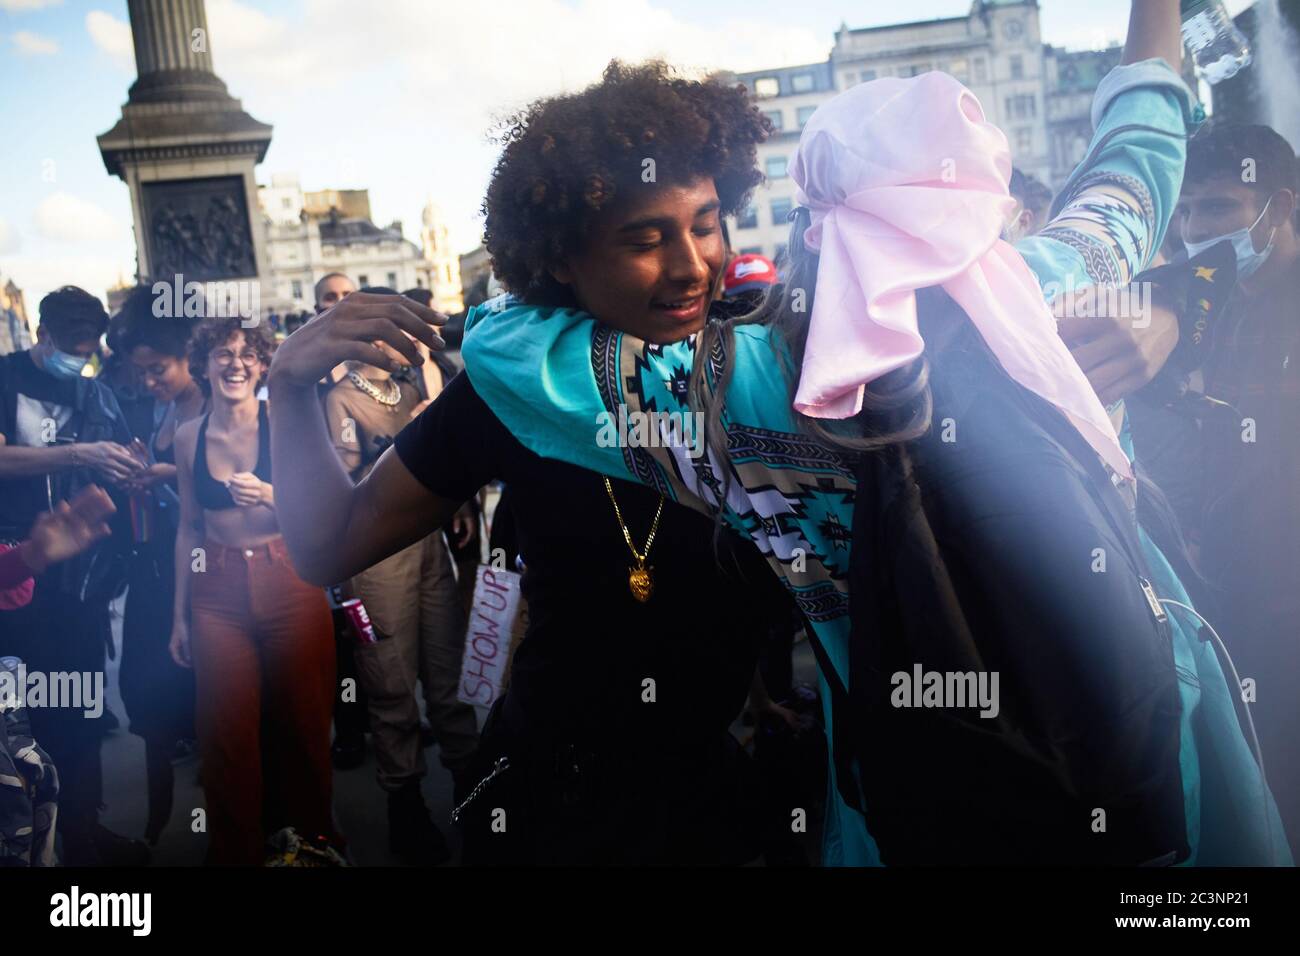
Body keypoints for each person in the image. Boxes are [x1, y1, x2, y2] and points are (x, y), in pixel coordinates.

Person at [450, 3, 1290, 865]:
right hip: (1143, 736)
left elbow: (501, 342)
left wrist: (554, 247)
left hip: (917, 782)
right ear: (981, 200)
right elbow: (1137, 158)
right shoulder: (1059, 293)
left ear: (818, 218)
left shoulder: (735, 389)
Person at [269, 67, 794, 866]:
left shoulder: (768, 381)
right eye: (646, 240)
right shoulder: (512, 391)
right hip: (551, 806)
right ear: (561, 261)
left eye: (708, 224)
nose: (692, 265)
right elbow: (325, 545)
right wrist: (288, 385)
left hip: (708, 802)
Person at [1132, 122, 1300, 851]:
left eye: (1221, 209)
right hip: (1221, 596)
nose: (1198, 230)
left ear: (1281, 204)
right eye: (1188, 211)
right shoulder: (1192, 307)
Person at [168, 318, 337, 865]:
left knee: (305, 723)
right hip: (215, 591)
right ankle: (235, 852)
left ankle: (314, 845)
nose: (235, 363)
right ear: (205, 364)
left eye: (246, 354)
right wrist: (180, 618)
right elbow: (189, 528)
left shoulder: (284, 420)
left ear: (263, 365)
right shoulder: (187, 435)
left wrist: (269, 493)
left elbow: (325, 507)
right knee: (225, 732)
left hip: (289, 577)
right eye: (223, 353)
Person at [0, 286, 150, 866]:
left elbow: (115, 467)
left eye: (88, 352)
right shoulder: (7, 378)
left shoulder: (96, 393)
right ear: (41, 335)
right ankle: (28, 842)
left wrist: (129, 468)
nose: (79, 362)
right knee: (22, 723)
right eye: (70, 349)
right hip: (16, 582)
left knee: (82, 713)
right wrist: (78, 455)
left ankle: (85, 830)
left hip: (81, 583)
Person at [322, 321, 479, 866]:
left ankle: (472, 796)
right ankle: (406, 810)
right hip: (377, 560)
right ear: (370, 343)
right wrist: (402, 438)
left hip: (428, 546)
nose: (409, 347)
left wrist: (455, 505)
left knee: (449, 671)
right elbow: (340, 492)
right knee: (390, 685)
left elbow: (434, 467)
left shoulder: (409, 387)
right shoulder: (340, 400)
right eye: (397, 338)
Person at [113, 285, 204, 845]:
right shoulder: (167, 406)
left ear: (190, 351)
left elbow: (247, 486)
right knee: (146, 697)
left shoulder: (223, 405)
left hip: (203, 573)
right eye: (140, 373)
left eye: (158, 369)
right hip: (155, 571)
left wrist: (169, 475)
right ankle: (158, 825)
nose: (148, 383)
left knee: (211, 701)